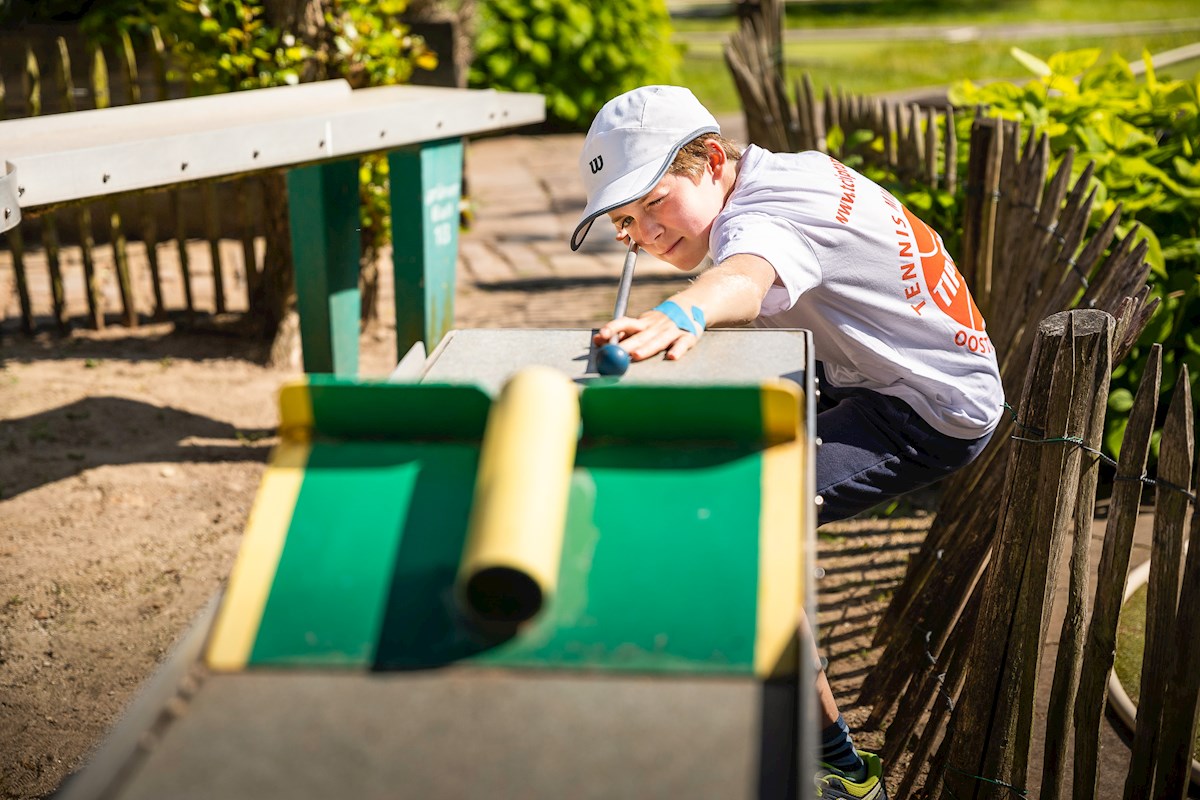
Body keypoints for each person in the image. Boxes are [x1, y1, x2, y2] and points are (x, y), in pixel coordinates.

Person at [572, 85, 1004, 800]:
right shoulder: (781, 171)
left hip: (925, 406)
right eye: (626, 220)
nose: (645, 233)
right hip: (864, 366)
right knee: (707, 454)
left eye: (654, 203)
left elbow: (743, 277)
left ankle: (840, 765)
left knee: (740, 525)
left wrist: (686, 308)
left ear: (713, 160)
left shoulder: (767, 217)